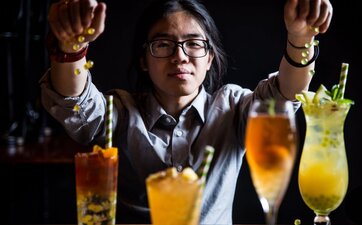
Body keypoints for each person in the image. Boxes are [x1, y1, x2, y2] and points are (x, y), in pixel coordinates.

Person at [41, 0, 332, 224]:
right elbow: (73, 100)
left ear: (209, 59)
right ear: (144, 60)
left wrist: (300, 38)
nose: (179, 56)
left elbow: (286, 95)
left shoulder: (233, 107)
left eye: (193, 44)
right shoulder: (119, 111)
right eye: (163, 44)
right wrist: (72, 49)